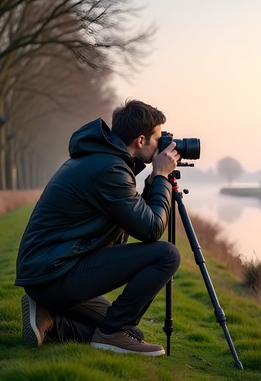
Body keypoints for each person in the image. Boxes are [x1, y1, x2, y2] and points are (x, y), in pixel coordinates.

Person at [15, 99, 181, 356]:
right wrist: (160, 177)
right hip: (54, 272)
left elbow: (140, 217)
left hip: (48, 270)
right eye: (158, 138)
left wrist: (153, 180)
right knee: (167, 254)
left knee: (132, 333)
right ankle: (110, 334)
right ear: (140, 140)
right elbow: (151, 229)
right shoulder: (110, 170)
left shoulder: (104, 161)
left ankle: (51, 318)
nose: (163, 145)